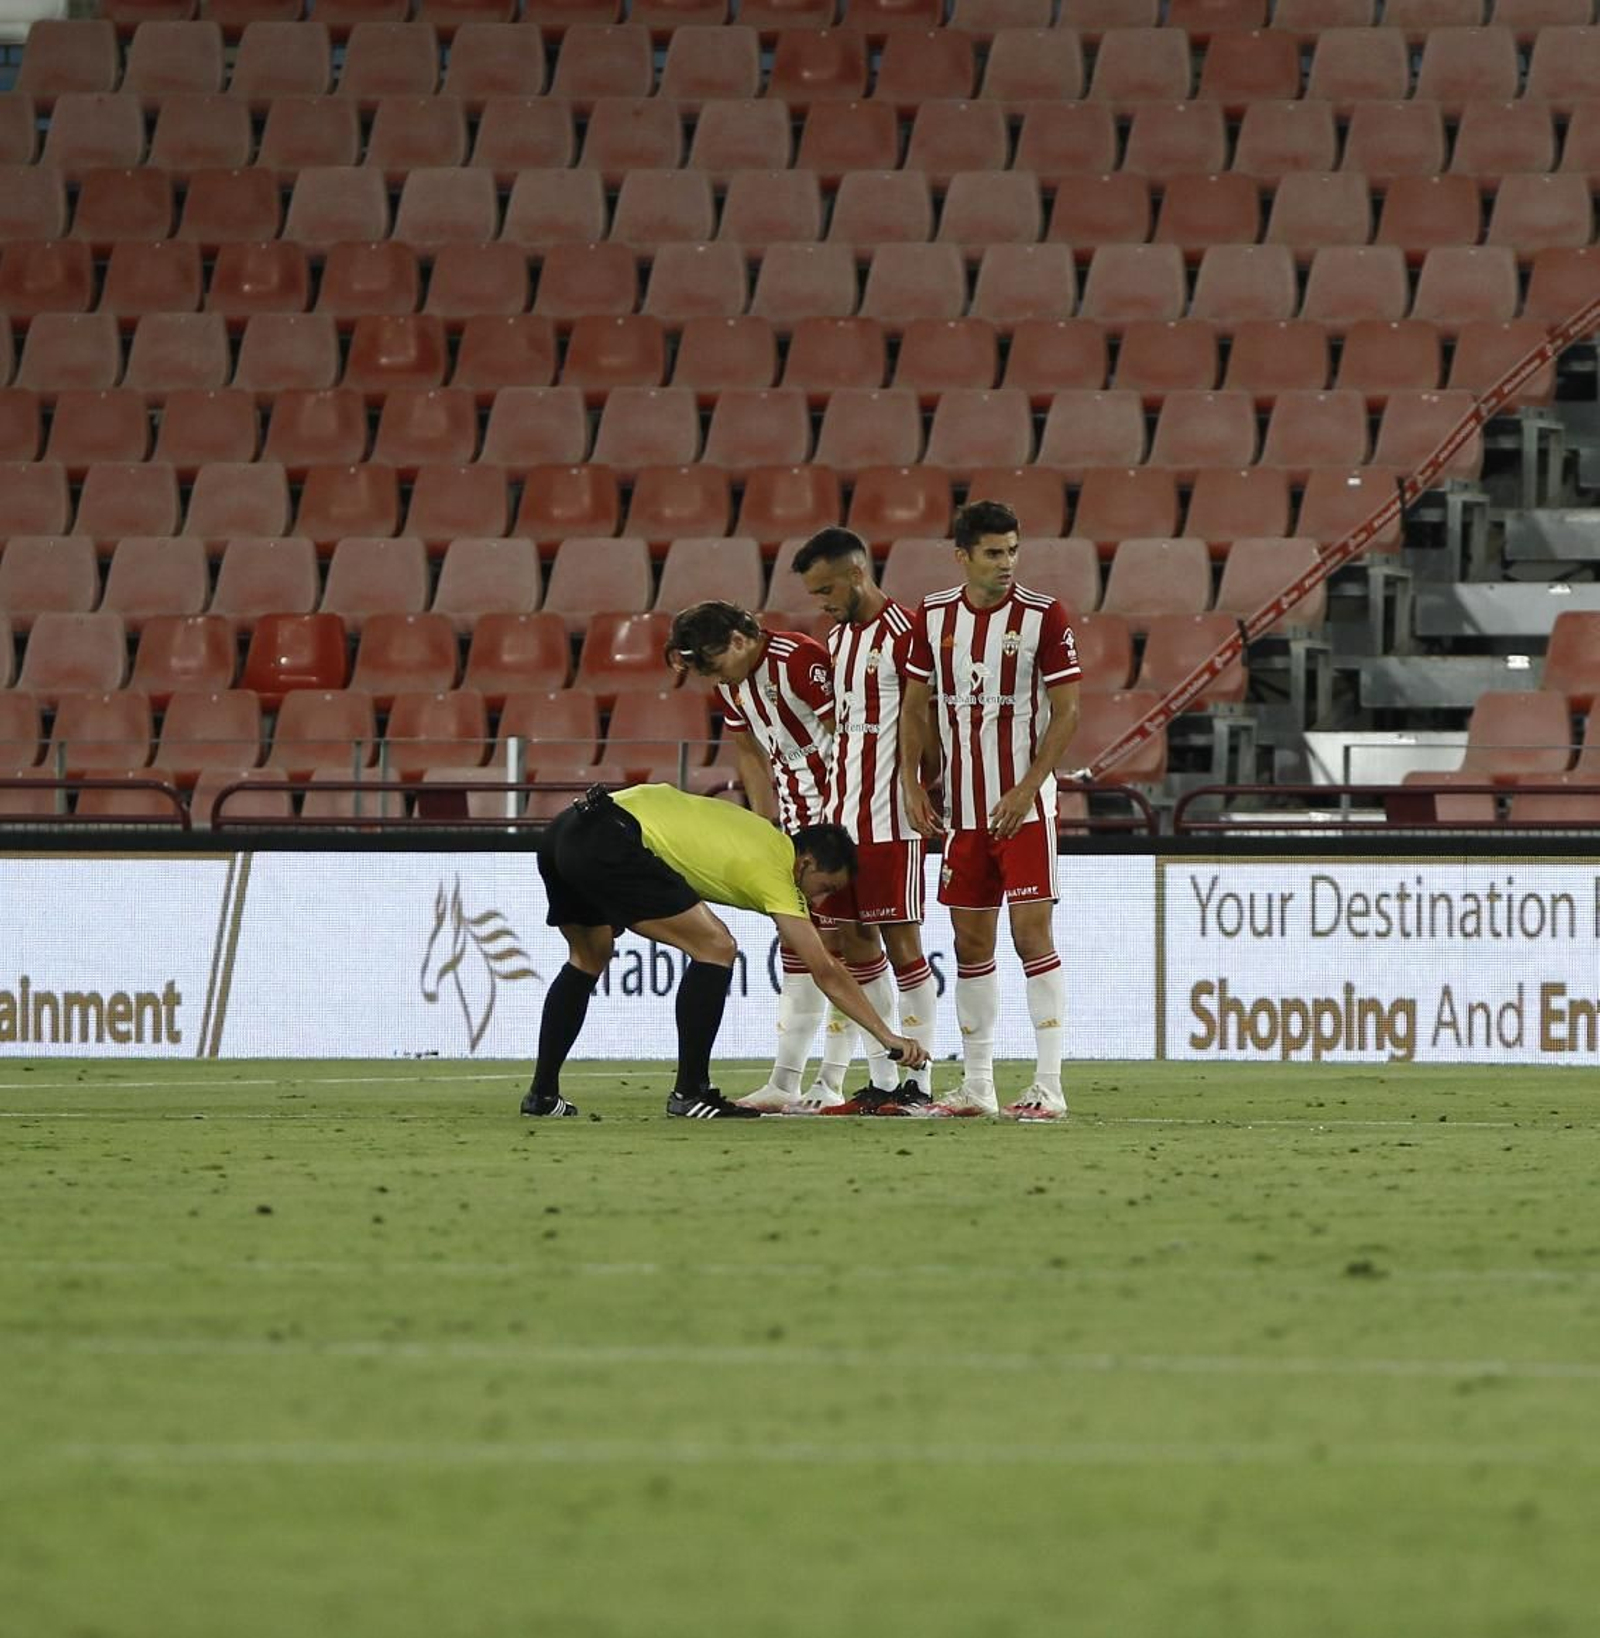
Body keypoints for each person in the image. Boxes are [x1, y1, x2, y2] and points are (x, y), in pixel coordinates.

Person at [521, 782, 928, 1120]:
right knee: (717, 947)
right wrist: (886, 1035)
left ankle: (542, 1095)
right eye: (826, 888)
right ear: (805, 863)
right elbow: (825, 969)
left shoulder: (759, 834)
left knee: (588, 959)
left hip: (567, 829)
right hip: (612, 839)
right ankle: (690, 1092)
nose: (820, 903)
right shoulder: (777, 870)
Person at [662, 601, 908, 1114]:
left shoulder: (798, 659)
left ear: (737, 641)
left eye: (712, 663)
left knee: (854, 942)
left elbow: (848, 737)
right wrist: (762, 823)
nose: (713, 677)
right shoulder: (730, 682)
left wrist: (843, 813)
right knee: (803, 947)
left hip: (842, 819)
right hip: (793, 827)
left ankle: (882, 1079)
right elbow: (749, 750)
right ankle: (792, 1080)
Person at [899, 500, 1083, 1121]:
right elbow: (915, 707)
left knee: (1032, 935)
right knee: (969, 942)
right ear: (963, 556)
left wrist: (1030, 786)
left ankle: (1048, 1085)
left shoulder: (1043, 616)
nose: (1006, 564)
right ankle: (977, 1086)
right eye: (993, 553)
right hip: (963, 814)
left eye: (1012, 551)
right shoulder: (931, 616)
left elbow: (1069, 711)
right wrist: (912, 781)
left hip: (1024, 810)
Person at [789, 527, 940, 1113]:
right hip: (842, 818)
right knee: (853, 944)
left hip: (891, 819)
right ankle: (884, 1077)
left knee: (903, 945)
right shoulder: (838, 638)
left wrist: (917, 785)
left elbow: (927, 721)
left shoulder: (906, 632)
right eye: (814, 593)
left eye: (827, 588)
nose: (821, 602)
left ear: (857, 573)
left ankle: (919, 1085)